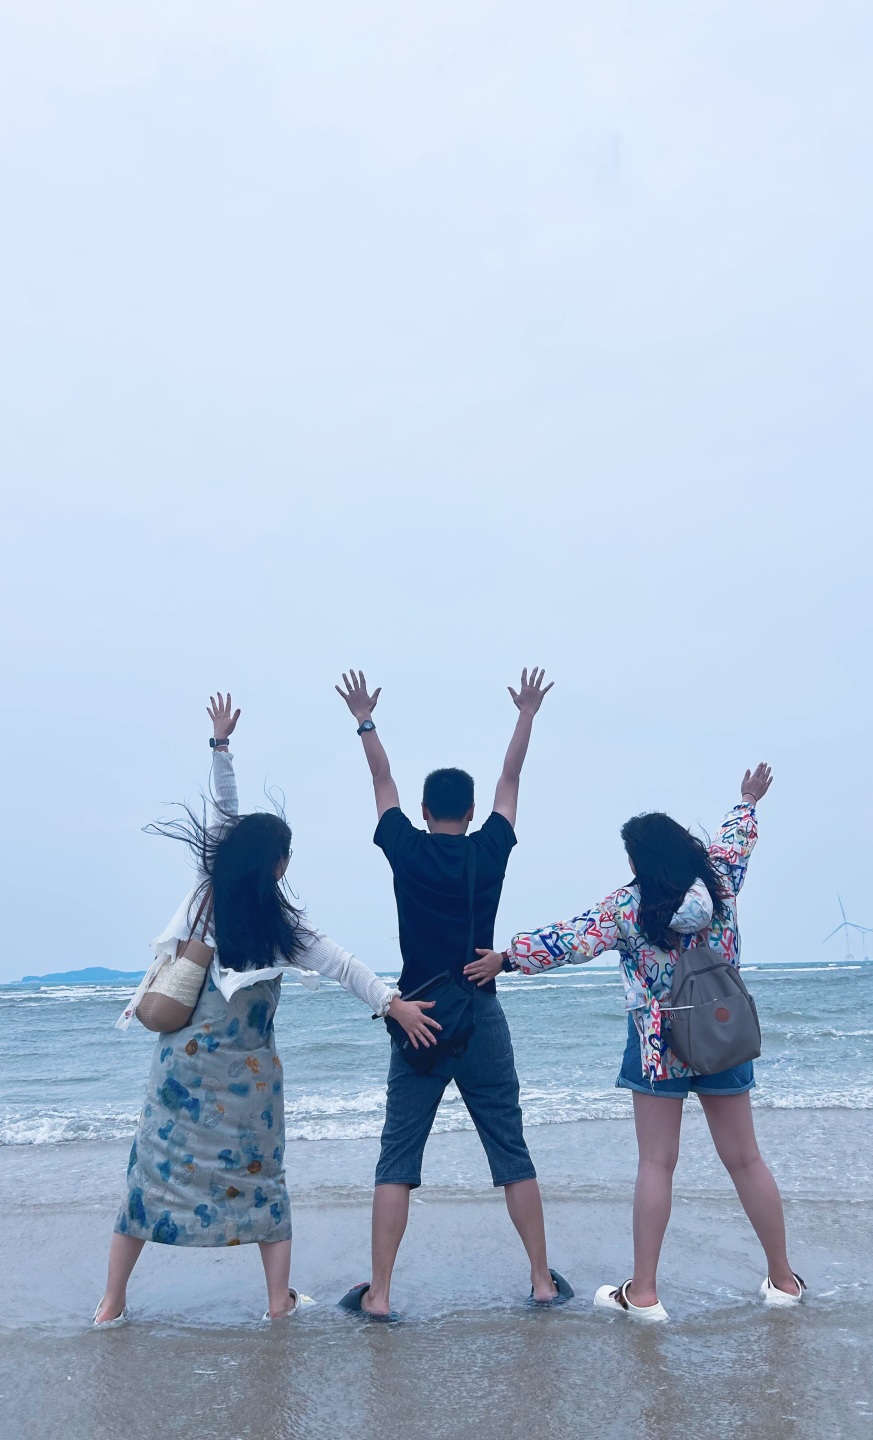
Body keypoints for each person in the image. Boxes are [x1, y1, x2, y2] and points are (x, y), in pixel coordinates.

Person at [94, 693, 437, 1327]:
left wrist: (221, 747)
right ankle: (278, 1303)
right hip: (249, 1083)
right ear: (275, 864)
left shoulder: (206, 894)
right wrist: (394, 1005)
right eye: (286, 855)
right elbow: (344, 966)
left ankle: (110, 1304)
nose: (288, 864)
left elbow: (226, 816)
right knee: (262, 1186)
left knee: (150, 1179)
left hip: (180, 1072)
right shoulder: (284, 929)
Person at [467, 763, 806, 1321]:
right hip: (724, 1030)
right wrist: (748, 800)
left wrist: (507, 959)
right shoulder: (720, 881)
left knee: (656, 1163)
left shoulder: (627, 907)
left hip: (659, 1042)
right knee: (746, 1160)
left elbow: (568, 940)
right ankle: (784, 1280)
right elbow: (735, 840)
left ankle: (643, 1293)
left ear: (639, 862)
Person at [334, 667, 572, 1318]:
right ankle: (541, 1282)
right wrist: (526, 714)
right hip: (480, 1012)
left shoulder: (405, 849)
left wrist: (365, 720)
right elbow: (510, 779)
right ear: (470, 814)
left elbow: (380, 781)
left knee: (397, 1158)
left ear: (422, 811)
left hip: (418, 1016)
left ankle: (381, 1295)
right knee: (510, 1149)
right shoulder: (489, 849)